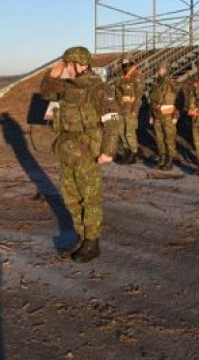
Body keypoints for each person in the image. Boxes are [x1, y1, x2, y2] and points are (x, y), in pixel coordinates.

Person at [41, 46, 118, 262]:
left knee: (90, 198)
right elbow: (46, 92)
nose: (66, 69)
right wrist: (52, 75)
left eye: (68, 65)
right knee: (71, 198)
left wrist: (108, 151)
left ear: (79, 65)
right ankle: (81, 236)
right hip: (67, 150)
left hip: (87, 152)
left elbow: (113, 122)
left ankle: (92, 242)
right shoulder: (67, 87)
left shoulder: (99, 89)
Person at [147, 65, 178, 171]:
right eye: (160, 69)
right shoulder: (156, 84)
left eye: (163, 69)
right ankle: (162, 159)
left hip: (167, 115)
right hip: (156, 115)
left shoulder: (170, 83)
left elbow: (174, 100)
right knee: (159, 139)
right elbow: (151, 101)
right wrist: (151, 115)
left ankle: (170, 161)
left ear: (167, 70)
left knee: (169, 138)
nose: (160, 71)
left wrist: (175, 116)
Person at [113, 57, 143, 164]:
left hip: (130, 109)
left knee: (129, 132)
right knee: (121, 131)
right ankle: (127, 152)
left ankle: (133, 153)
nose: (124, 66)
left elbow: (139, 95)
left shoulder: (136, 76)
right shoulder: (121, 77)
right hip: (121, 109)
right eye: (123, 64)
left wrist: (135, 110)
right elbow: (117, 94)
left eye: (126, 64)